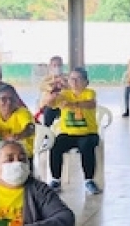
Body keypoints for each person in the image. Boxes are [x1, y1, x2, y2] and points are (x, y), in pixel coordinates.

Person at [41, 67, 102, 195]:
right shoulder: (64, 94)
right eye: (71, 79)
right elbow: (49, 104)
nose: (74, 82)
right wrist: (52, 94)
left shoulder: (89, 92)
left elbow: (91, 104)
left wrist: (73, 105)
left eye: (78, 79)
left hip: (88, 133)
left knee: (87, 146)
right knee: (55, 146)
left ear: (86, 82)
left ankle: (89, 180)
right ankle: (56, 180)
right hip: (68, 134)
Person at [37, 56, 66, 127]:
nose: (57, 68)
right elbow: (43, 87)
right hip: (48, 105)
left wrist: (63, 84)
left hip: (63, 105)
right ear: (50, 67)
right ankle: (47, 131)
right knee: (50, 109)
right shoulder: (46, 79)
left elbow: (71, 89)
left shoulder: (66, 78)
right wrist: (55, 82)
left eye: (59, 65)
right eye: (55, 65)